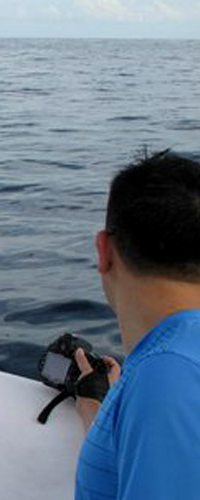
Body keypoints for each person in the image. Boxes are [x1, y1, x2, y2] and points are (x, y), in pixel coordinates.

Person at [73, 150, 200, 499]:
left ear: (104, 251)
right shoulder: (170, 368)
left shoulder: (168, 375)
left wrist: (150, 396)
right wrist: (106, 413)